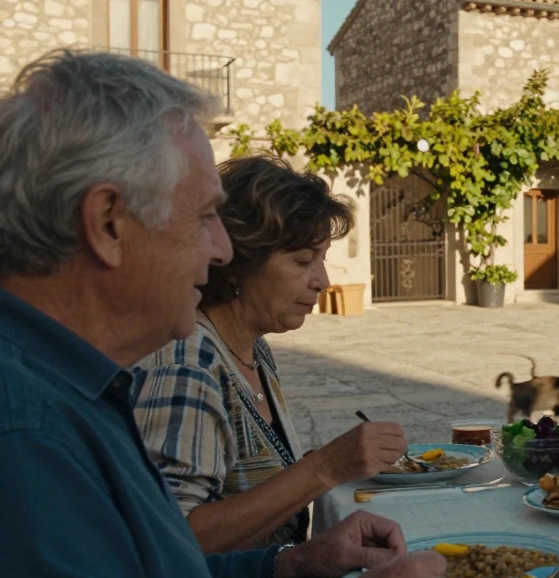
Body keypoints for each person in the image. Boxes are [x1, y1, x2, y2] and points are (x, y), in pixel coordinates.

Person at [0, 49, 449, 578]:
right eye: (204, 217)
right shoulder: (31, 434)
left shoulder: (79, 388)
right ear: (109, 222)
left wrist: (293, 565)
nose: (221, 250)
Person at [133, 156, 406, 557]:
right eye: (302, 261)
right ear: (239, 263)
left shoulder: (252, 347)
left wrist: (337, 465)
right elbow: (172, 538)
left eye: (322, 258)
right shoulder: (187, 363)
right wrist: (324, 468)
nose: (323, 281)